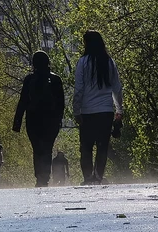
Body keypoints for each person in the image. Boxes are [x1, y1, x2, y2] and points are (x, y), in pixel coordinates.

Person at [72, 30, 123, 185]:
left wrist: (76, 109)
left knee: (86, 147)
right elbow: (117, 88)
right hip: (105, 111)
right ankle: (98, 177)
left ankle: (87, 177)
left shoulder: (83, 62)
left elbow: (79, 88)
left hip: (87, 112)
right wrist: (119, 110)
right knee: (102, 146)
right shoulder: (108, 62)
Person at [12, 50, 65, 187]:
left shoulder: (29, 79)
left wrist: (17, 122)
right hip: (51, 121)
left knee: (37, 148)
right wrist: (59, 120)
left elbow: (23, 101)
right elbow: (61, 103)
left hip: (33, 119)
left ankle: (39, 177)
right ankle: (45, 176)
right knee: (47, 148)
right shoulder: (56, 79)